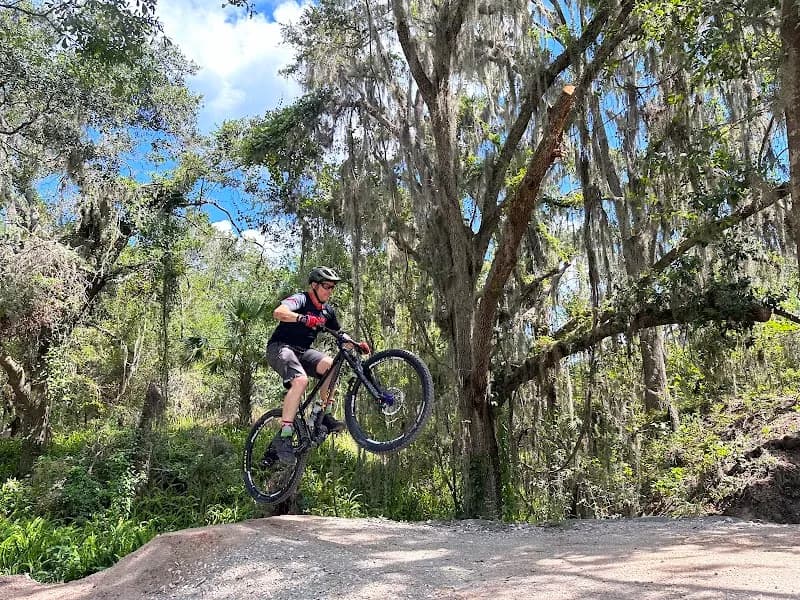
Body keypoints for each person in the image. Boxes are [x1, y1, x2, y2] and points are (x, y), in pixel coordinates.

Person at [265, 266, 370, 464]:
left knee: (331, 364)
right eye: (326, 286)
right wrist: (302, 317)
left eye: (332, 288)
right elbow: (278, 312)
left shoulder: (327, 311)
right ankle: (285, 434)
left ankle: (321, 413)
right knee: (300, 380)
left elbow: (340, 334)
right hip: (280, 348)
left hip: (302, 353)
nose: (329, 291)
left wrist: (356, 344)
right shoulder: (301, 299)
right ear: (314, 285)